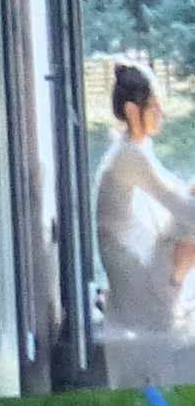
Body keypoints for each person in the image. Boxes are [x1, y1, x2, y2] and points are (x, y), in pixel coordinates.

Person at [96, 64, 195, 381]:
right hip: (141, 288)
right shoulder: (129, 157)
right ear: (131, 111)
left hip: (140, 271)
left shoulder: (132, 150)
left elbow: (176, 197)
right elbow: (183, 209)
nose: (161, 112)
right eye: (154, 106)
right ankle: (175, 291)